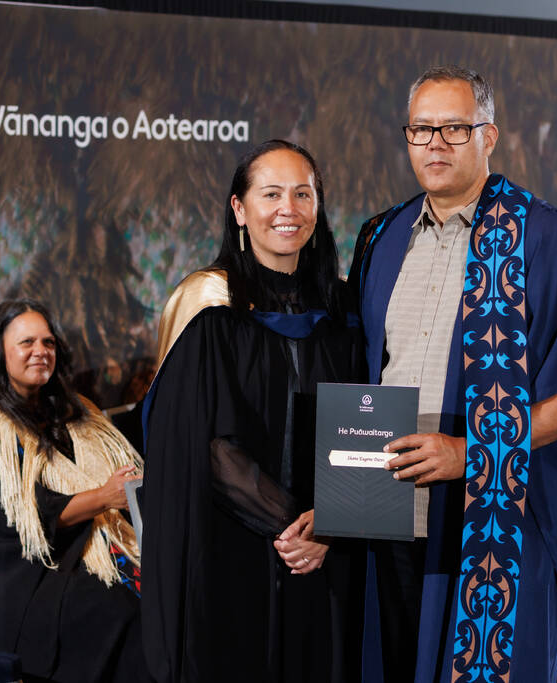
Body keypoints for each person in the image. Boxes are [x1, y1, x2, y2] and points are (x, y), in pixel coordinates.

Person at [348, 65, 557, 683]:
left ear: (490, 136)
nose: (435, 144)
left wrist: (471, 451)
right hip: (385, 507)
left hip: (497, 505)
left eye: (455, 128)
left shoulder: (547, 238)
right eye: (421, 129)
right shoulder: (380, 237)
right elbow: (359, 374)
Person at [141, 140, 365, 683]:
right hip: (236, 543)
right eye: (271, 194)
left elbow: (366, 424)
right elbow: (203, 443)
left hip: (329, 550)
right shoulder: (211, 305)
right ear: (239, 209)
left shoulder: (342, 311)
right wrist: (296, 527)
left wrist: (330, 528)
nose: (288, 208)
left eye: (302, 194)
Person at [0, 299, 144, 682]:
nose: (41, 351)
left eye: (49, 342)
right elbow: (13, 521)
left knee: (168, 595)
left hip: (78, 561)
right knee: (119, 610)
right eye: (27, 342)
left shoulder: (74, 415)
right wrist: (104, 498)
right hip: (16, 585)